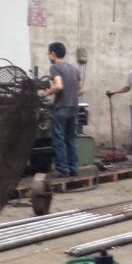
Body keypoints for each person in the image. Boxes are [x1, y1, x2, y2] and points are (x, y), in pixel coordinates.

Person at [38, 41, 83, 177]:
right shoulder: (73, 68)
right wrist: (71, 96)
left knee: (59, 139)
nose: (48, 56)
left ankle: (63, 169)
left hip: (61, 108)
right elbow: (81, 90)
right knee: (71, 139)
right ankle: (73, 168)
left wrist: (45, 93)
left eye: (48, 54)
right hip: (73, 108)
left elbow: (58, 86)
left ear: (53, 54)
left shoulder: (55, 68)